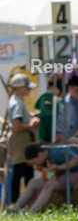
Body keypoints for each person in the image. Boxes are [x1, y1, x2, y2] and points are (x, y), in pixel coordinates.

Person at [7, 142, 78, 213]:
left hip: (77, 174)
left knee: (49, 185)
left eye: (35, 161)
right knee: (33, 182)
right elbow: (50, 175)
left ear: (40, 154)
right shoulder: (44, 159)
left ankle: (31, 212)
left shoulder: (56, 153)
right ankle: (14, 209)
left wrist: (59, 167)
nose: (35, 164)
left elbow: (76, 159)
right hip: (60, 177)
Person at [6, 73, 40, 204]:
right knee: (21, 171)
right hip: (20, 141)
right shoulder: (17, 103)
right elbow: (16, 126)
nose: (29, 90)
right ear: (19, 87)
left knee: (25, 172)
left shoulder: (17, 101)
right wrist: (31, 124)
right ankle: (17, 203)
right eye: (27, 87)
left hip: (22, 140)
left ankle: (24, 203)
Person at [34, 74, 64, 144]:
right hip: (48, 140)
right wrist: (52, 136)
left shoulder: (52, 98)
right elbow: (46, 118)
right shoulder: (48, 98)